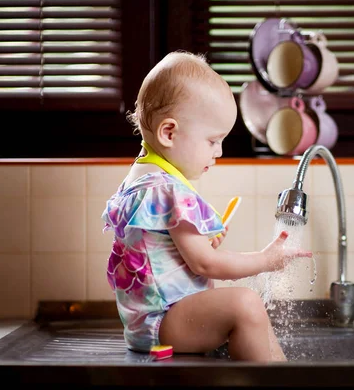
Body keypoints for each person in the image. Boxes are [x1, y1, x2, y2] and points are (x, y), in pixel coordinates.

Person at [101, 50, 312, 362]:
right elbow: (206, 265)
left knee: (251, 318)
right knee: (246, 304)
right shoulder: (168, 189)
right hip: (165, 321)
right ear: (168, 132)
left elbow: (168, 256)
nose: (220, 151)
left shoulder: (142, 178)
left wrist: (200, 247)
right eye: (213, 140)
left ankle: (285, 378)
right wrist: (266, 260)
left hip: (148, 323)